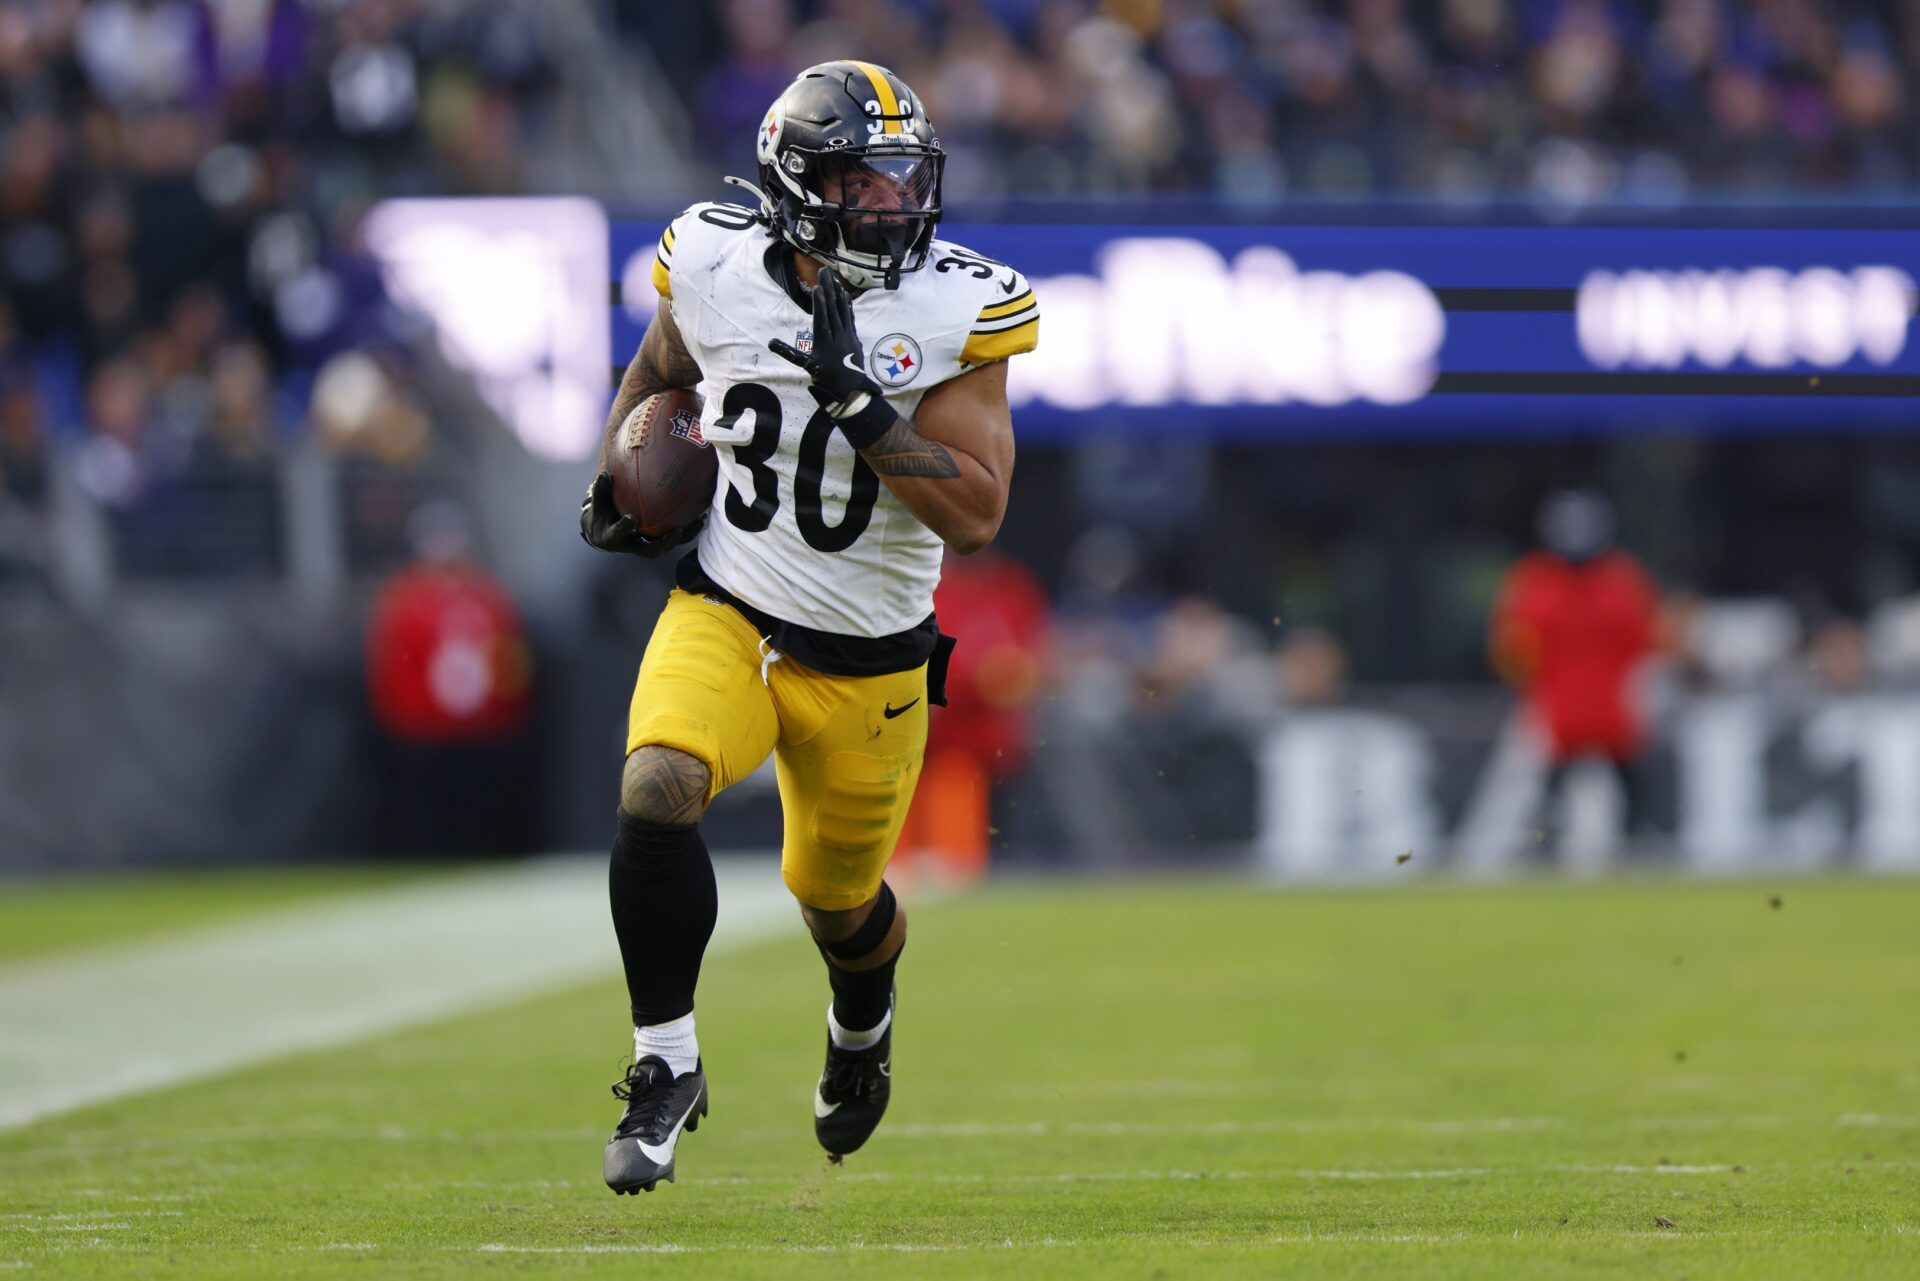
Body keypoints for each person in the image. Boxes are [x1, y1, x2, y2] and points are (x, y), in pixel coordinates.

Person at [577, 61, 1039, 1193]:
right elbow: (659, 372)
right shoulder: (714, 260)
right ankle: (663, 1062)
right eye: (860, 182)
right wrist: (618, 480)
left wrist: (862, 407)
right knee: (656, 789)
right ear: (796, 181)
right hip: (729, 607)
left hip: (871, 663)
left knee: (839, 906)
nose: (890, 206)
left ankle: (862, 1026)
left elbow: (977, 514)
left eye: (902, 181)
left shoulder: (957, 305)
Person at [1490, 490, 1660, 845]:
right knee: (1538, 793)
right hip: (1556, 713)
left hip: (1610, 712)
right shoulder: (1538, 581)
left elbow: (1645, 644)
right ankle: (1537, 846)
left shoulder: (1618, 579)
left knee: (1632, 794)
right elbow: (1512, 650)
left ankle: (1636, 847)